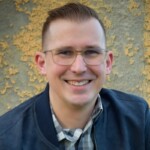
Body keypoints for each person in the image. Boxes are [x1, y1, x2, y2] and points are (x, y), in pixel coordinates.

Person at [0, 2, 149, 150]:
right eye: (65, 53)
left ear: (108, 62)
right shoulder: (5, 138)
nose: (79, 68)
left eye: (91, 52)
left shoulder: (139, 120)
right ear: (42, 63)